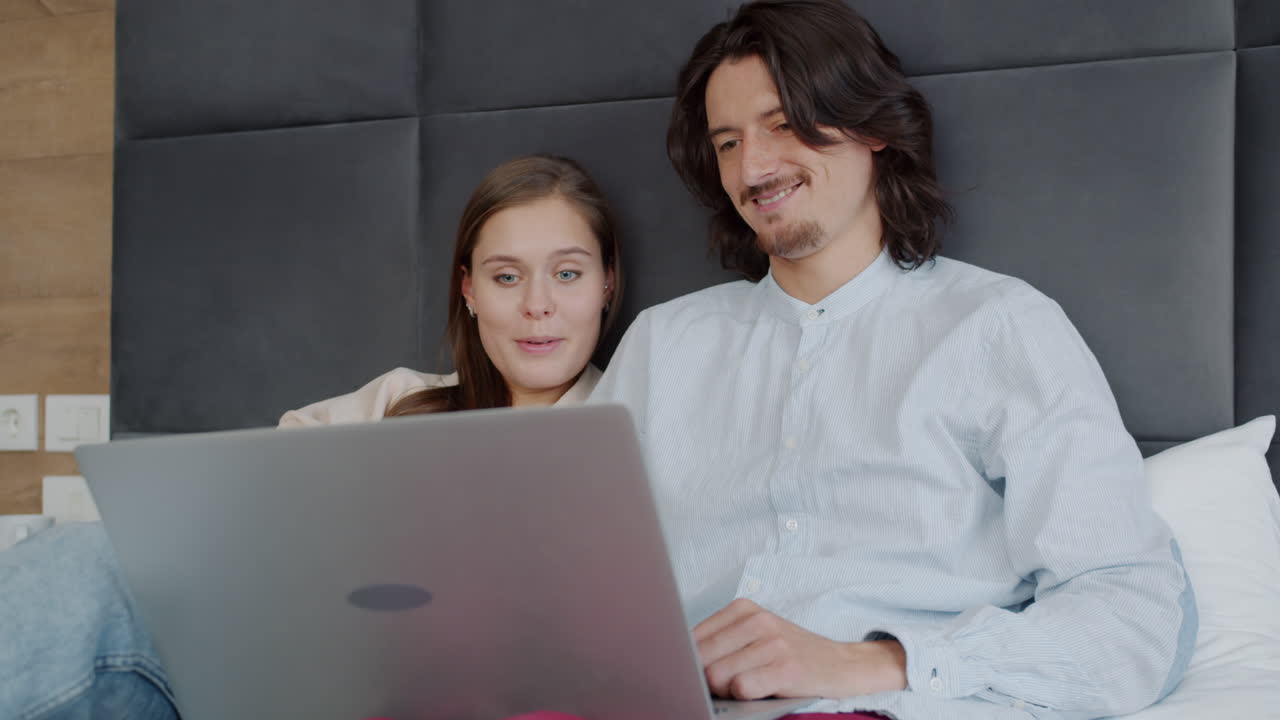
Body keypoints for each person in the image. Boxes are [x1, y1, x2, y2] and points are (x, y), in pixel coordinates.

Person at [588, 1, 1197, 718]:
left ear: (873, 127)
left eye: (783, 124)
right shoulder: (663, 345)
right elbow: (567, 582)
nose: (753, 166)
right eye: (727, 143)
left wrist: (880, 662)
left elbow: (1135, 620)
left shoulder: (999, 328)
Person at [0, 154, 622, 720]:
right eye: (507, 277)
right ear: (469, 291)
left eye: (567, 273)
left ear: (606, 284)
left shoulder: (641, 434)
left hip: (443, 694)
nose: (538, 304)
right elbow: (263, 490)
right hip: (286, 669)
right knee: (89, 556)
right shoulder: (401, 400)